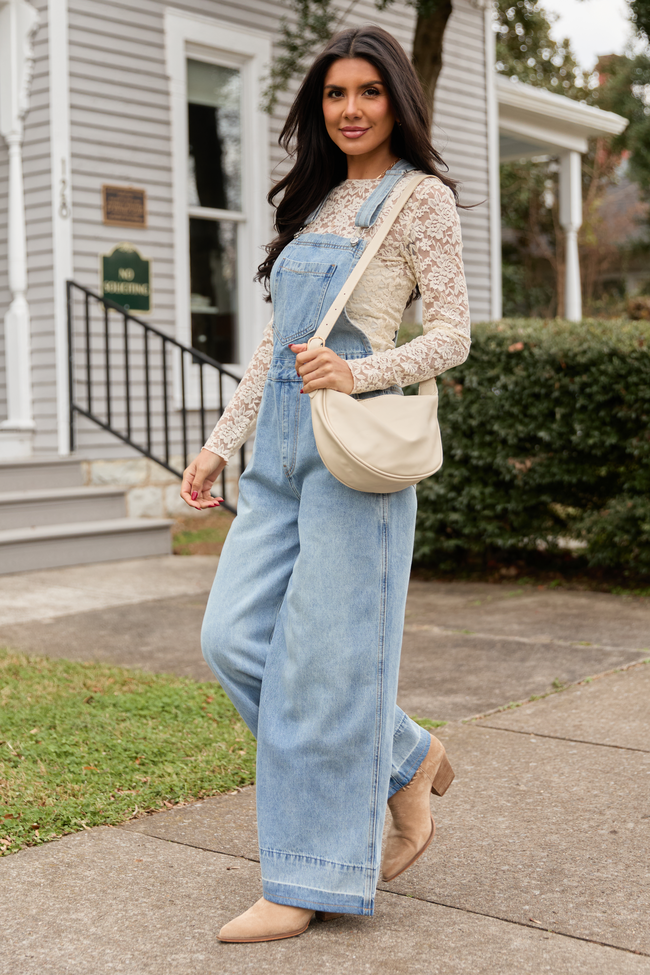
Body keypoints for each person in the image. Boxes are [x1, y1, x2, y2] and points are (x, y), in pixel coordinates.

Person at [181, 24, 471, 944]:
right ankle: (403, 754)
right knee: (230, 637)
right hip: (276, 454)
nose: (350, 109)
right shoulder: (314, 205)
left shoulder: (418, 200)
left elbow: (454, 334)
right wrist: (223, 443)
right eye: (335, 94)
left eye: (368, 93)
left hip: (355, 454)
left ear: (398, 101)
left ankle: (306, 876)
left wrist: (360, 373)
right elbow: (274, 346)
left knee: (323, 666)